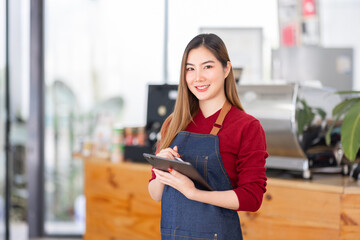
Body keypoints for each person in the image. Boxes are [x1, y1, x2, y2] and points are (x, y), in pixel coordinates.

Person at [148, 33, 268, 240]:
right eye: (190, 69)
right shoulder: (172, 124)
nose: (198, 77)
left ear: (226, 69)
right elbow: (155, 194)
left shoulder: (247, 127)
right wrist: (162, 169)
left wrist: (193, 192)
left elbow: (252, 198)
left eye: (207, 67)